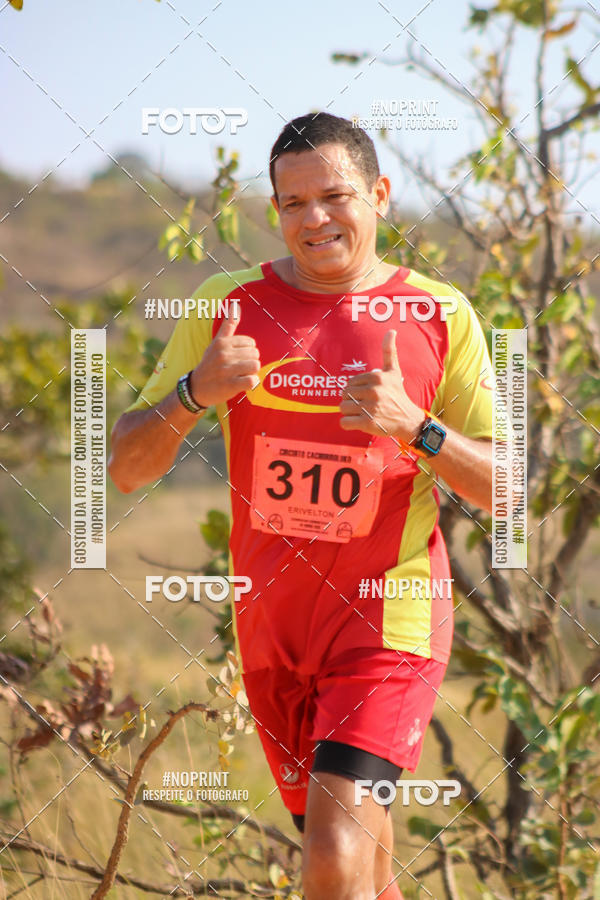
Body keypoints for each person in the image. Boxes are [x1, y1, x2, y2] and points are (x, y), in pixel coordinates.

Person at [109, 112, 494, 900]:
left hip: (390, 621)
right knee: (361, 867)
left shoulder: (439, 314)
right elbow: (122, 469)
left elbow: (512, 490)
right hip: (274, 633)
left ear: (380, 195)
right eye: (292, 203)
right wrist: (191, 396)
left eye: (335, 195)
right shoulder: (228, 305)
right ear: (274, 211)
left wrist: (416, 429)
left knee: (331, 854)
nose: (314, 218)